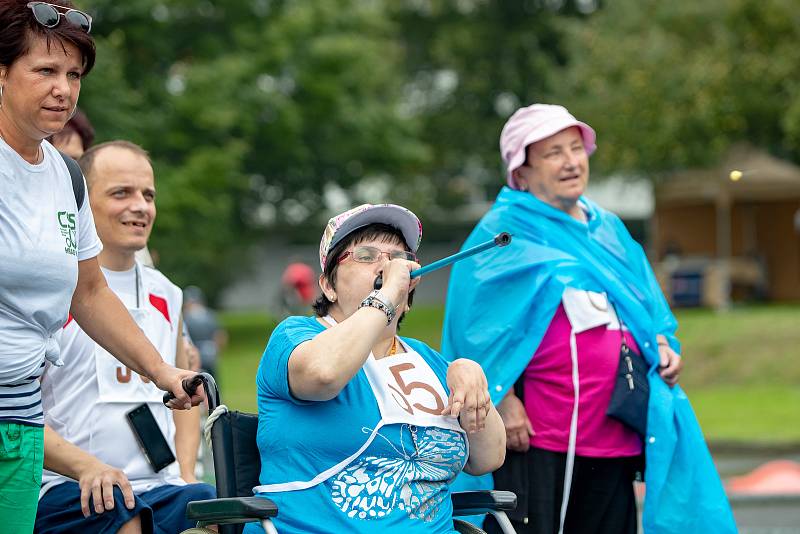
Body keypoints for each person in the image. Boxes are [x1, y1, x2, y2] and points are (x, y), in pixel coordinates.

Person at [442, 104, 737, 533]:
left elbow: (647, 306)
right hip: (542, 440)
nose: (571, 161)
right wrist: (500, 400)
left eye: (576, 148)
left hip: (616, 435)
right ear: (520, 172)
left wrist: (662, 345)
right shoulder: (502, 233)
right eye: (553, 152)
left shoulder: (609, 229)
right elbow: (474, 330)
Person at [0, 3, 200, 530]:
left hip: (19, 425)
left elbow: (88, 294)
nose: (63, 88)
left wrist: (164, 373)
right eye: (45, 71)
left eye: (73, 75)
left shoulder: (64, 176)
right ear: (1, 72)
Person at [245, 204, 506, 534]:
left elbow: (488, 457)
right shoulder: (296, 337)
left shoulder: (429, 361)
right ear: (328, 285)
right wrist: (385, 297)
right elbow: (322, 375)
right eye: (366, 255)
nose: (387, 264)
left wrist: (471, 376)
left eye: (399, 258)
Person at [34, 141, 216, 533]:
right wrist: (85, 467)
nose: (140, 206)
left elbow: (181, 400)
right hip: (69, 486)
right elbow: (19, 408)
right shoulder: (53, 287)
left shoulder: (167, 293)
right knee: (121, 511)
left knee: (220, 509)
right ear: (80, 202)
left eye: (148, 195)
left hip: (156, 486)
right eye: (121, 193)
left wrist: (184, 472)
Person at [182, 285, 226, 380]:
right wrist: (217, 350)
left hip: (195, 354)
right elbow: (220, 335)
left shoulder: (185, 317)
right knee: (213, 381)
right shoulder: (210, 315)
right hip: (210, 352)